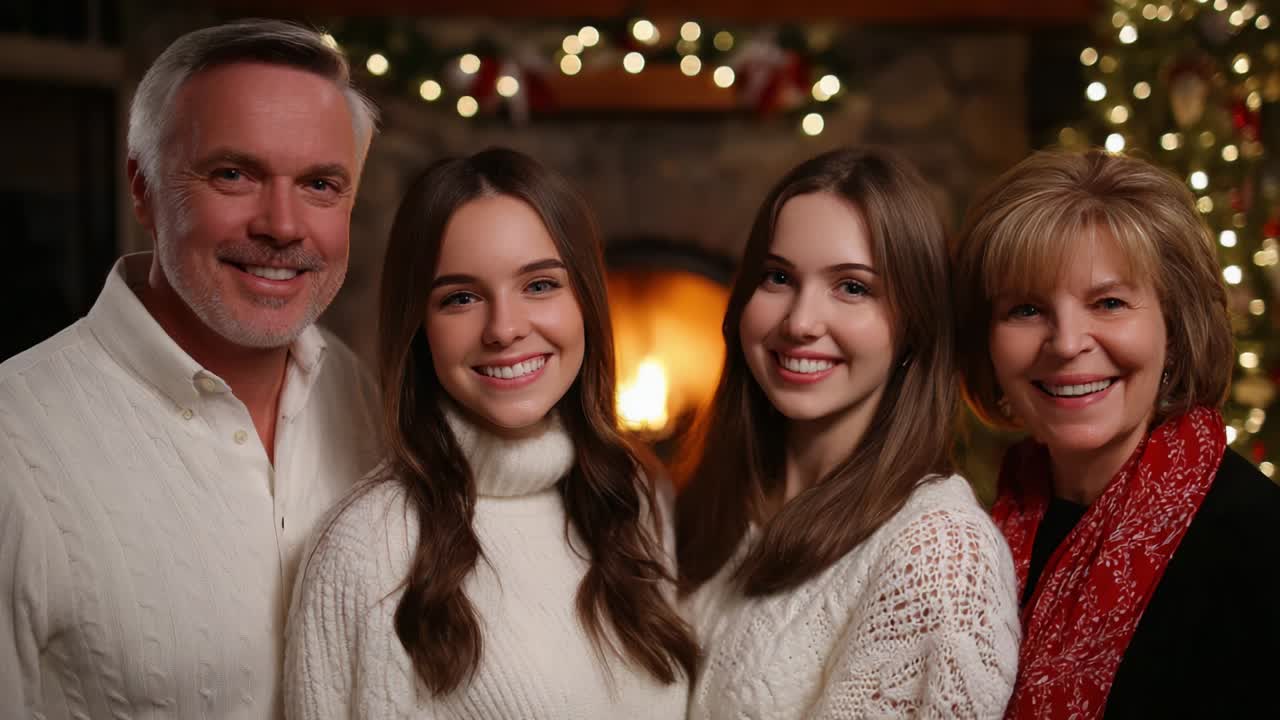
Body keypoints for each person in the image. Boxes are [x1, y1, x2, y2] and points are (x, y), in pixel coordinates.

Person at [0, 19, 382, 718]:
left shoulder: (357, 394)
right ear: (142, 190)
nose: (283, 225)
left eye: (321, 184)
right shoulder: (14, 444)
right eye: (234, 173)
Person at [285, 147, 697, 719]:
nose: (504, 329)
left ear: (585, 301)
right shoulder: (365, 551)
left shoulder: (634, 495)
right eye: (461, 298)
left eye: (539, 286)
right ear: (420, 329)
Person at [677, 147, 1020, 719]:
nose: (802, 322)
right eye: (778, 277)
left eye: (852, 287)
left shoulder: (935, 553)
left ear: (914, 324)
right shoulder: (720, 506)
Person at [952, 149, 1280, 719]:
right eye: (1026, 309)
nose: (1066, 342)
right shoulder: (980, 538)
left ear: (1174, 332)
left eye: (1108, 302)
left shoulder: (1262, 544)